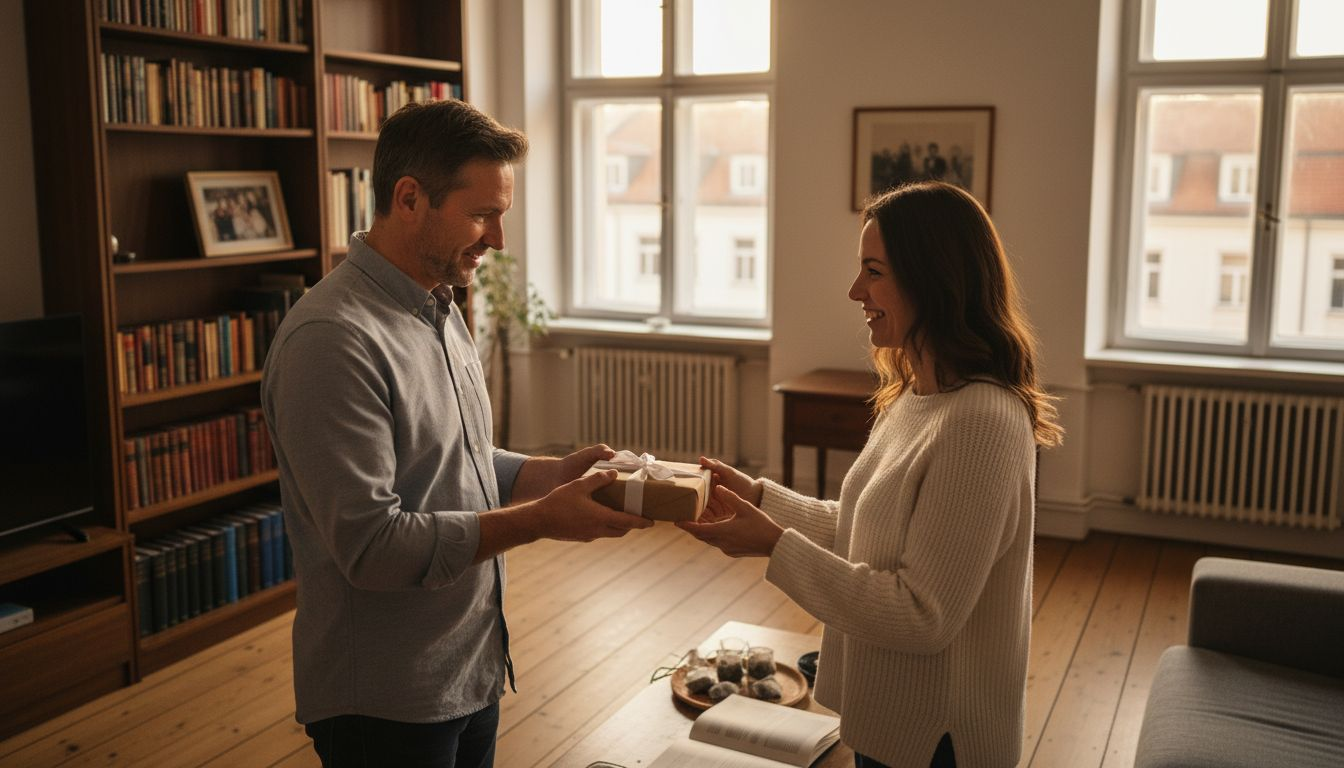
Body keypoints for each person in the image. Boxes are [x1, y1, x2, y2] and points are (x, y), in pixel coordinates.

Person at [261, 99, 652, 768]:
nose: (497, 240)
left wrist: (548, 475)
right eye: (481, 215)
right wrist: (540, 520)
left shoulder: (437, 304)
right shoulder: (333, 341)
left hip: (469, 665)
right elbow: (373, 546)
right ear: (408, 198)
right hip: (386, 698)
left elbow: (457, 460)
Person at [679, 181, 1062, 768]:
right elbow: (871, 529)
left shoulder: (982, 420)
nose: (855, 290)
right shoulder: (918, 395)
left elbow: (921, 615)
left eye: (874, 272)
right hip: (894, 722)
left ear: (933, 281)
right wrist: (758, 497)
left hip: (939, 739)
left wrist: (772, 546)